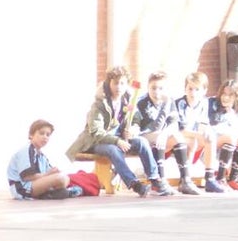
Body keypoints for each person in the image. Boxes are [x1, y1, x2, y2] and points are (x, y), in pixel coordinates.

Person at [65, 66, 169, 197]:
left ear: (127, 85)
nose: (119, 87)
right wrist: (117, 141)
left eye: (122, 83)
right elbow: (96, 132)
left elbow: (135, 118)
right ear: (109, 83)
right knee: (112, 150)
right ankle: (134, 183)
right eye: (115, 83)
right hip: (96, 141)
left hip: (119, 138)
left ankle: (155, 179)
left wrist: (134, 129)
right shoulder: (100, 103)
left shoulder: (128, 100)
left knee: (142, 141)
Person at [172, 71, 223, 193]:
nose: (193, 93)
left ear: (204, 90)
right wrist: (199, 135)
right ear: (185, 89)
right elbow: (181, 130)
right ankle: (185, 179)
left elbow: (203, 124)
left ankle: (210, 178)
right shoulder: (180, 104)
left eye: (197, 89)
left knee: (210, 136)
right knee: (192, 141)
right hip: (177, 137)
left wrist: (204, 133)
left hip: (194, 135)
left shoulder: (204, 103)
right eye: (190, 89)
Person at [131, 70, 180, 195]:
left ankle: (185, 180)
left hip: (159, 136)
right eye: (153, 88)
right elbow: (153, 126)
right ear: (148, 87)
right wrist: (161, 134)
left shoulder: (169, 100)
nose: (157, 92)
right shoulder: (142, 102)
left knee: (178, 138)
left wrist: (164, 134)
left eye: (160, 88)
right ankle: (160, 181)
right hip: (143, 136)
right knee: (159, 138)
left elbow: (173, 124)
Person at [7, 119, 79, 199]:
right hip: (22, 188)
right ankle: (54, 193)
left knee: (65, 177)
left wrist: (53, 171)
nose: (45, 137)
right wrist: (48, 174)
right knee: (60, 178)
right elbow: (27, 177)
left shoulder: (42, 156)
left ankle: (51, 193)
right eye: (41, 133)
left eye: (48, 135)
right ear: (31, 135)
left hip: (34, 184)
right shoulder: (26, 150)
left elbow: (50, 173)